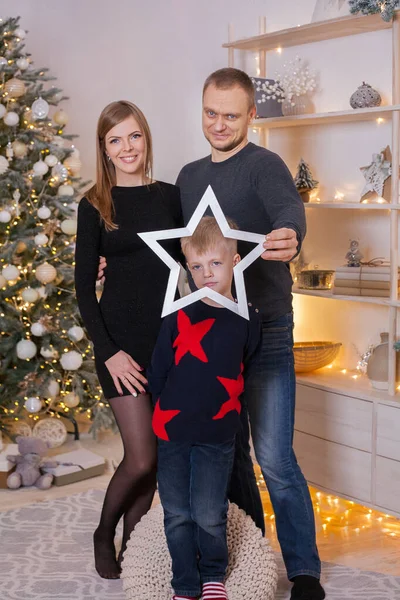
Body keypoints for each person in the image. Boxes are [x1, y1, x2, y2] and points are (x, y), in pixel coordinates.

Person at [175, 68, 325, 600]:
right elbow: (177, 253)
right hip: (212, 336)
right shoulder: (189, 177)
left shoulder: (266, 166)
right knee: (227, 452)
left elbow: (289, 211)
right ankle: (252, 551)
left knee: (276, 459)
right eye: (210, 113)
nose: (218, 124)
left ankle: (305, 571)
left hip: (266, 332)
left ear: (251, 115)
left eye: (231, 115)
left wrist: (291, 235)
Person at [74, 100, 182, 579]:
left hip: (167, 342)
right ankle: (104, 532)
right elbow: (81, 286)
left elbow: (198, 256)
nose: (126, 147)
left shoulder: (171, 196)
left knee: (154, 459)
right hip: (118, 345)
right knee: (141, 454)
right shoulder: (94, 204)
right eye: (115, 139)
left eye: (133, 136)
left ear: (146, 137)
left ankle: (135, 550)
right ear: (104, 148)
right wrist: (109, 351)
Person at [147, 216, 261, 600]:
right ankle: (184, 582)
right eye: (196, 266)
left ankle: (213, 575)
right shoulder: (176, 314)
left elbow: (247, 365)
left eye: (215, 263)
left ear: (235, 261)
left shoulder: (247, 318)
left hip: (218, 434)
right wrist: (161, 417)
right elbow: (159, 369)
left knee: (210, 514)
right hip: (173, 431)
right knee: (177, 512)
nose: (205, 273)